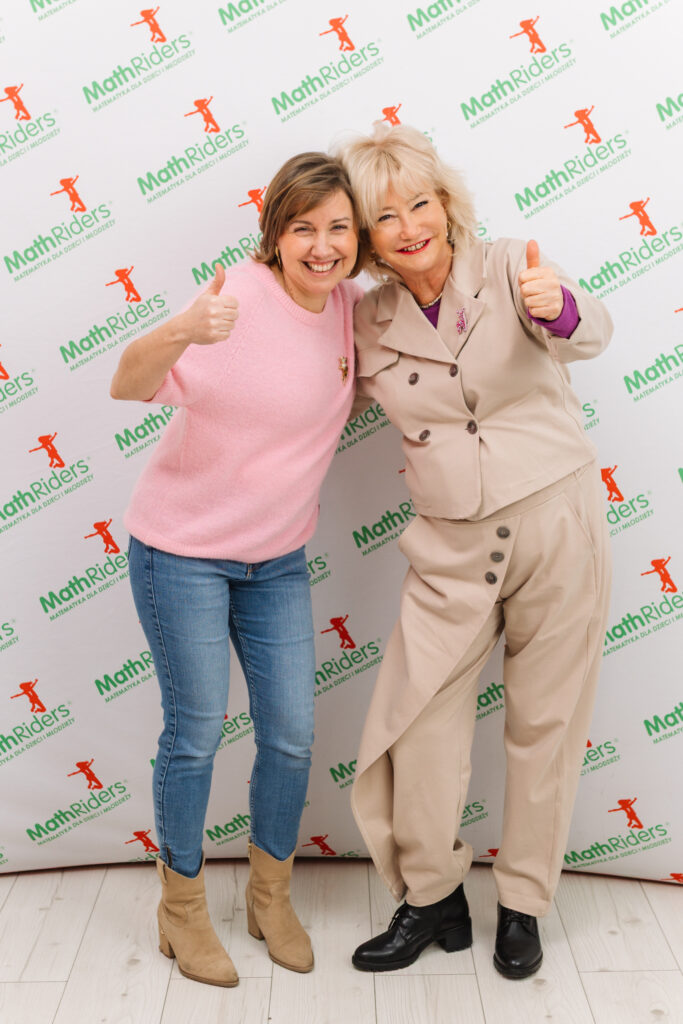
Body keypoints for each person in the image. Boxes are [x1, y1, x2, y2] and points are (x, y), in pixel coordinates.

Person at [338, 124, 612, 978]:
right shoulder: (366, 319)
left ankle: (522, 904)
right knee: (416, 724)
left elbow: (590, 330)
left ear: (445, 203)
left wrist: (556, 306)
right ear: (366, 235)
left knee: (545, 725)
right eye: (385, 217)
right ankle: (431, 897)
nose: (409, 227)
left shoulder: (507, 266)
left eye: (419, 203)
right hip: (449, 549)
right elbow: (314, 403)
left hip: (555, 525)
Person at [110, 152, 364, 986]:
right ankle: (181, 912)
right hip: (180, 553)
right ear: (275, 234)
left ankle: (268, 897)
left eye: (338, 228)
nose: (322, 246)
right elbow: (126, 384)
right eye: (303, 228)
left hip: (276, 561)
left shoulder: (349, 308)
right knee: (194, 733)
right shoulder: (236, 298)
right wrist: (180, 330)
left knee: (290, 733)